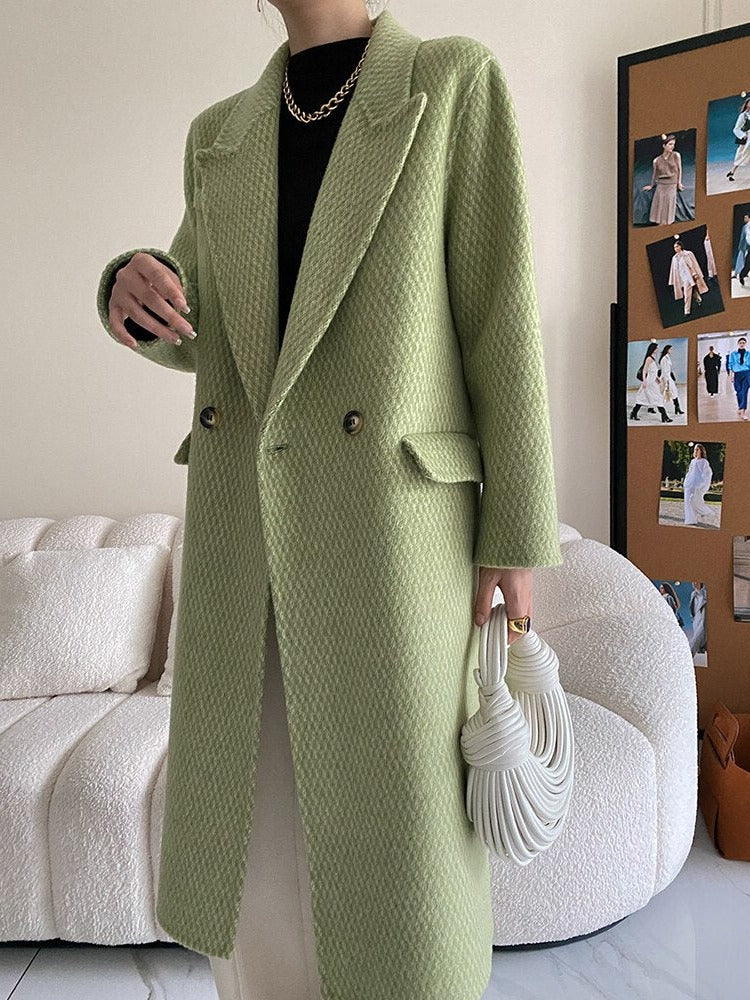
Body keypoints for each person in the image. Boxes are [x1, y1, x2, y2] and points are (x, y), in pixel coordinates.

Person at [95, 2, 563, 998]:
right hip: (245, 531)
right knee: (257, 852)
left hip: (390, 536)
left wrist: (516, 534)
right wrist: (131, 291)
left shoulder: (451, 82)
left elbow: (501, 320)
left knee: (402, 852)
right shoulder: (220, 134)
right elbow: (198, 325)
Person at [642, 133, 683, 225]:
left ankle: (667, 225)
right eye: (670, 144)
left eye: (673, 144)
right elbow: (655, 174)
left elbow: (680, 169)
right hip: (661, 185)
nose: (672, 146)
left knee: (668, 206)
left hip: (671, 184)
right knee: (659, 205)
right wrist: (651, 185)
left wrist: (679, 183)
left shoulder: (676, 155)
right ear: (664, 146)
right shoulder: (656, 160)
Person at [683, 444, 713, 526]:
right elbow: (690, 472)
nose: (696, 451)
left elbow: (708, 473)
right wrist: (686, 481)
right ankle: (690, 519)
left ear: (701, 451)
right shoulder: (693, 461)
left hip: (697, 484)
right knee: (687, 502)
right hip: (689, 484)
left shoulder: (704, 462)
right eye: (695, 449)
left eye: (697, 449)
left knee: (694, 500)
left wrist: (702, 483)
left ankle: (705, 511)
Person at [727, 334, 750, 420]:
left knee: (744, 392)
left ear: (745, 344)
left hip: (746, 374)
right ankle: (740, 406)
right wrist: (731, 376)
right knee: (738, 392)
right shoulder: (733, 354)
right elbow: (730, 365)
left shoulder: (748, 354)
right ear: (738, 344)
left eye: (743, 343)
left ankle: (743, 412)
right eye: (740, 343)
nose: (742, 344)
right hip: (737, 375)